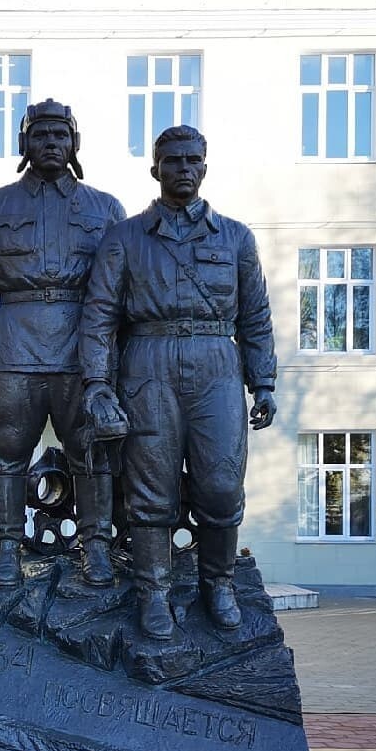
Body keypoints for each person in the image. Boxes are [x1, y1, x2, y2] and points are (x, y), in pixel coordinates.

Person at [80, 125, 277, 640]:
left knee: (220, 483)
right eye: (172, 161)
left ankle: (219, 583)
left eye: (192, 160)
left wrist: (265, 382)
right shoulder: (124, 238)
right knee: (151, 489)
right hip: (148, 362)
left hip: (216, 363)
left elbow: (255, 315)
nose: (183, 169)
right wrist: (98, 386)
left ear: (205, 168)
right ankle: (154, 593)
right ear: (155, 169)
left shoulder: (236, 237)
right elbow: (99, 316)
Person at [0, 99, 126, 587]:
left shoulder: (105, 207)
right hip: (14, 340)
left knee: (91, 452)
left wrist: (118, 355)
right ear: (24, 144)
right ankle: (6, 547)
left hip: (81, 344)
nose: (51, 143)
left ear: (75, 143)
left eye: (60, 135)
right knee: (6, 453)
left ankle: (96, 548)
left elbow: (121, 286)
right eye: (40, 134)